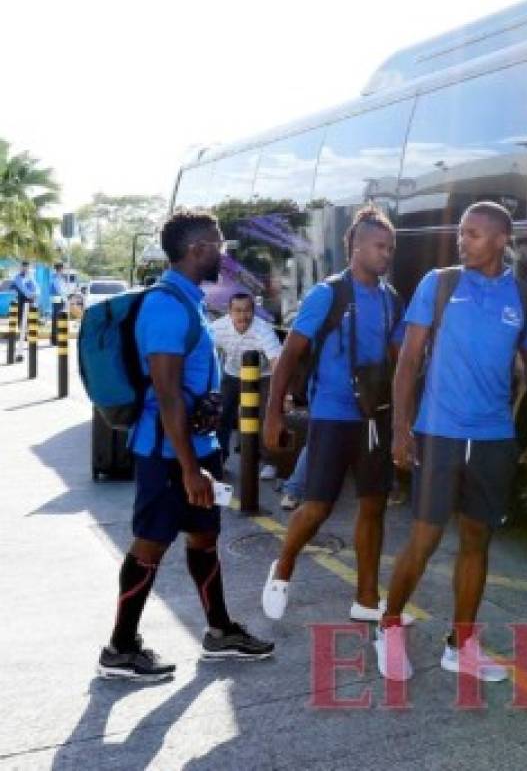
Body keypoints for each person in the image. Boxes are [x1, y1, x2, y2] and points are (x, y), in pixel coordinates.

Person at [376, 201, 527, 684]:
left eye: (473, 233)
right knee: (426, 537)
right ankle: (389, 628)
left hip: (495, 437)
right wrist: (400, 429)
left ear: (500, 240)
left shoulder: (524, 296)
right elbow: (408, 361)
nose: (462, 240)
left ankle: (462, 644)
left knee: (478, 540)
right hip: (440, 431)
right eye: (461, 232)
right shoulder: (440, 283)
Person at [98, 211, 274, 681]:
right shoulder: (164, 306)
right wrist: (190, 467)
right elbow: (168, 392)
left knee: (204, 535)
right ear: (197, 249)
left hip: (197, 447)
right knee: (151, 545)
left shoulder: (188, 300)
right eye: (218, 244)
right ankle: (120, 647)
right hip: (169, 455)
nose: (225, 253)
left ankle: (219, 632)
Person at [261, 207, 405, 624]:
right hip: (332, 414)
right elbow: (290, 356)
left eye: (391, 247)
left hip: (373, 417)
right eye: (380, 246)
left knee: (373, 505)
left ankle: (366, 599)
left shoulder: (391, 299)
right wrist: (274, 413)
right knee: (317, 506)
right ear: (355, 247)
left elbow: (402, 360)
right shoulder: (329, 294)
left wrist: (405, 418)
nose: (387, 254)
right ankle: (284, 565)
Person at [211, 292, 282, 475]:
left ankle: (269, 461)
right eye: (238, 311)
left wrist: (283, 395)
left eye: (248, 310)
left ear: (254, 310)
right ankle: (220, 459)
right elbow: (204, 352)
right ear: (229, 312)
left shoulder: (263, 329)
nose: (243, 316)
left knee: (265, 416)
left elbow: (277, 362)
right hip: (232, 373)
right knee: (222, 415)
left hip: (263, 376)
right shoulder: (218, 327)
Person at [13, 260, 38, 344]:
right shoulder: (17, 277)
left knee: (30, 317)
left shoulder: (30, 276)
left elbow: (36, 287)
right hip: (22, 299)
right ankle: (22, 334)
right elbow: (23, 288)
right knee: (21, 317)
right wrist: (32, 295)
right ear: (21, 267)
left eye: (27, 267)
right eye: (24, 267)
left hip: (30, 300)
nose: (25, 269)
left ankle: (27, 334)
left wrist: (36, 294)